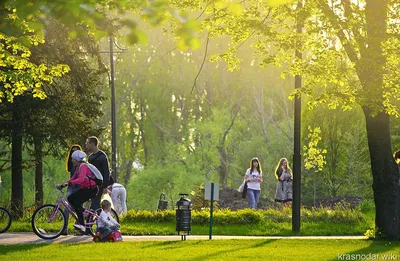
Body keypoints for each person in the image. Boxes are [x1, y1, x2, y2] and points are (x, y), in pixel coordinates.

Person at [57, 150, 98, 233]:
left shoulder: (83, 166)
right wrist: (65, 183)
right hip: (86, 188)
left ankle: (82, 225)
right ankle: (84, 213)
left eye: (73, 159)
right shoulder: (78, 167)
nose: (71, 160)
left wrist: (70, 182)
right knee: (71, 198)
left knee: (76, 202)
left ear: (76, 159)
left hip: (92, 189)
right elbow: (74, 177)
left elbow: (81, 179)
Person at [61, 144, 82, 235]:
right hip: (71, 188)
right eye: (72, 151)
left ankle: (80, 226)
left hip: (79, 188)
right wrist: (66, 183)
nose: (74, 153)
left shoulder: (81, 164)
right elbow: (73, 176)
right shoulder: (72, 164)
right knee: (67, 208)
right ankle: (64, 228)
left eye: (76, 151)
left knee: (78, 208)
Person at [85, 136, 111, 211]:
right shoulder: (90, 157)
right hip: (91, 184)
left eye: (87, 143)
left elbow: (106, 171)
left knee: (95, 203)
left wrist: (105, 186)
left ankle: (98, 220)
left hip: (100, 184)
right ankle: (93, 220)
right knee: (93, 204)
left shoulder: (102, 156)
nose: (86, 146)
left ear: (92, 144)